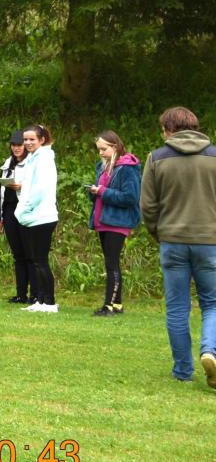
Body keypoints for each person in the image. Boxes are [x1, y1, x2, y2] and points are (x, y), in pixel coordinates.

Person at [139, 106, 216, 387]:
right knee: (213, 303)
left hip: (172, 241)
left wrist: (158, 233)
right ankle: (210, 350)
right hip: (210, 241)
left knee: (177, 308)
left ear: (169, 129)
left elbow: (148, 205)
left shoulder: (157, 158)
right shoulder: (214, 156)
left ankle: (183, 372)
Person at [86, 130, 141, 316]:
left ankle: (108, 306)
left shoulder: (127, 168)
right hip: (102, 220)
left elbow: (131, 197)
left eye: (104, 149)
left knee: (111, 264)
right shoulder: (103, 166)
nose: (100, 153)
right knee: (111, 262)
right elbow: (100, 193)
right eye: (98, 149)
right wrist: (93, 192)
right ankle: (117, 304)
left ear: (115, 146)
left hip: (118, 222)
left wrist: (102, 192)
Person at [15, 124, 59, 313]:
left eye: (32, 139)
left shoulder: (44, 159)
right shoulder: (33, 158)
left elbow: (40, 189)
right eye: (25, 139)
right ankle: (39, 300)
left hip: (42, 216)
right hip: (31, 216)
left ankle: (49, 302)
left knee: (41, 260)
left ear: (42, 140)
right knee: (34, 260)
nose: (28, 142)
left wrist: (24, 209)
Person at [0, 130, 31, 304]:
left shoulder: (31, 163)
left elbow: (37, 187)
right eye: (14, 145)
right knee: (18, 255)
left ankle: (35, 294)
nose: (16, 148)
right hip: (9, 212)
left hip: (25, 210)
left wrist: (21, 187)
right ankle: (21, 294)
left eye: (19, 145)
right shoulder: (6, 165)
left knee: (29, 253)